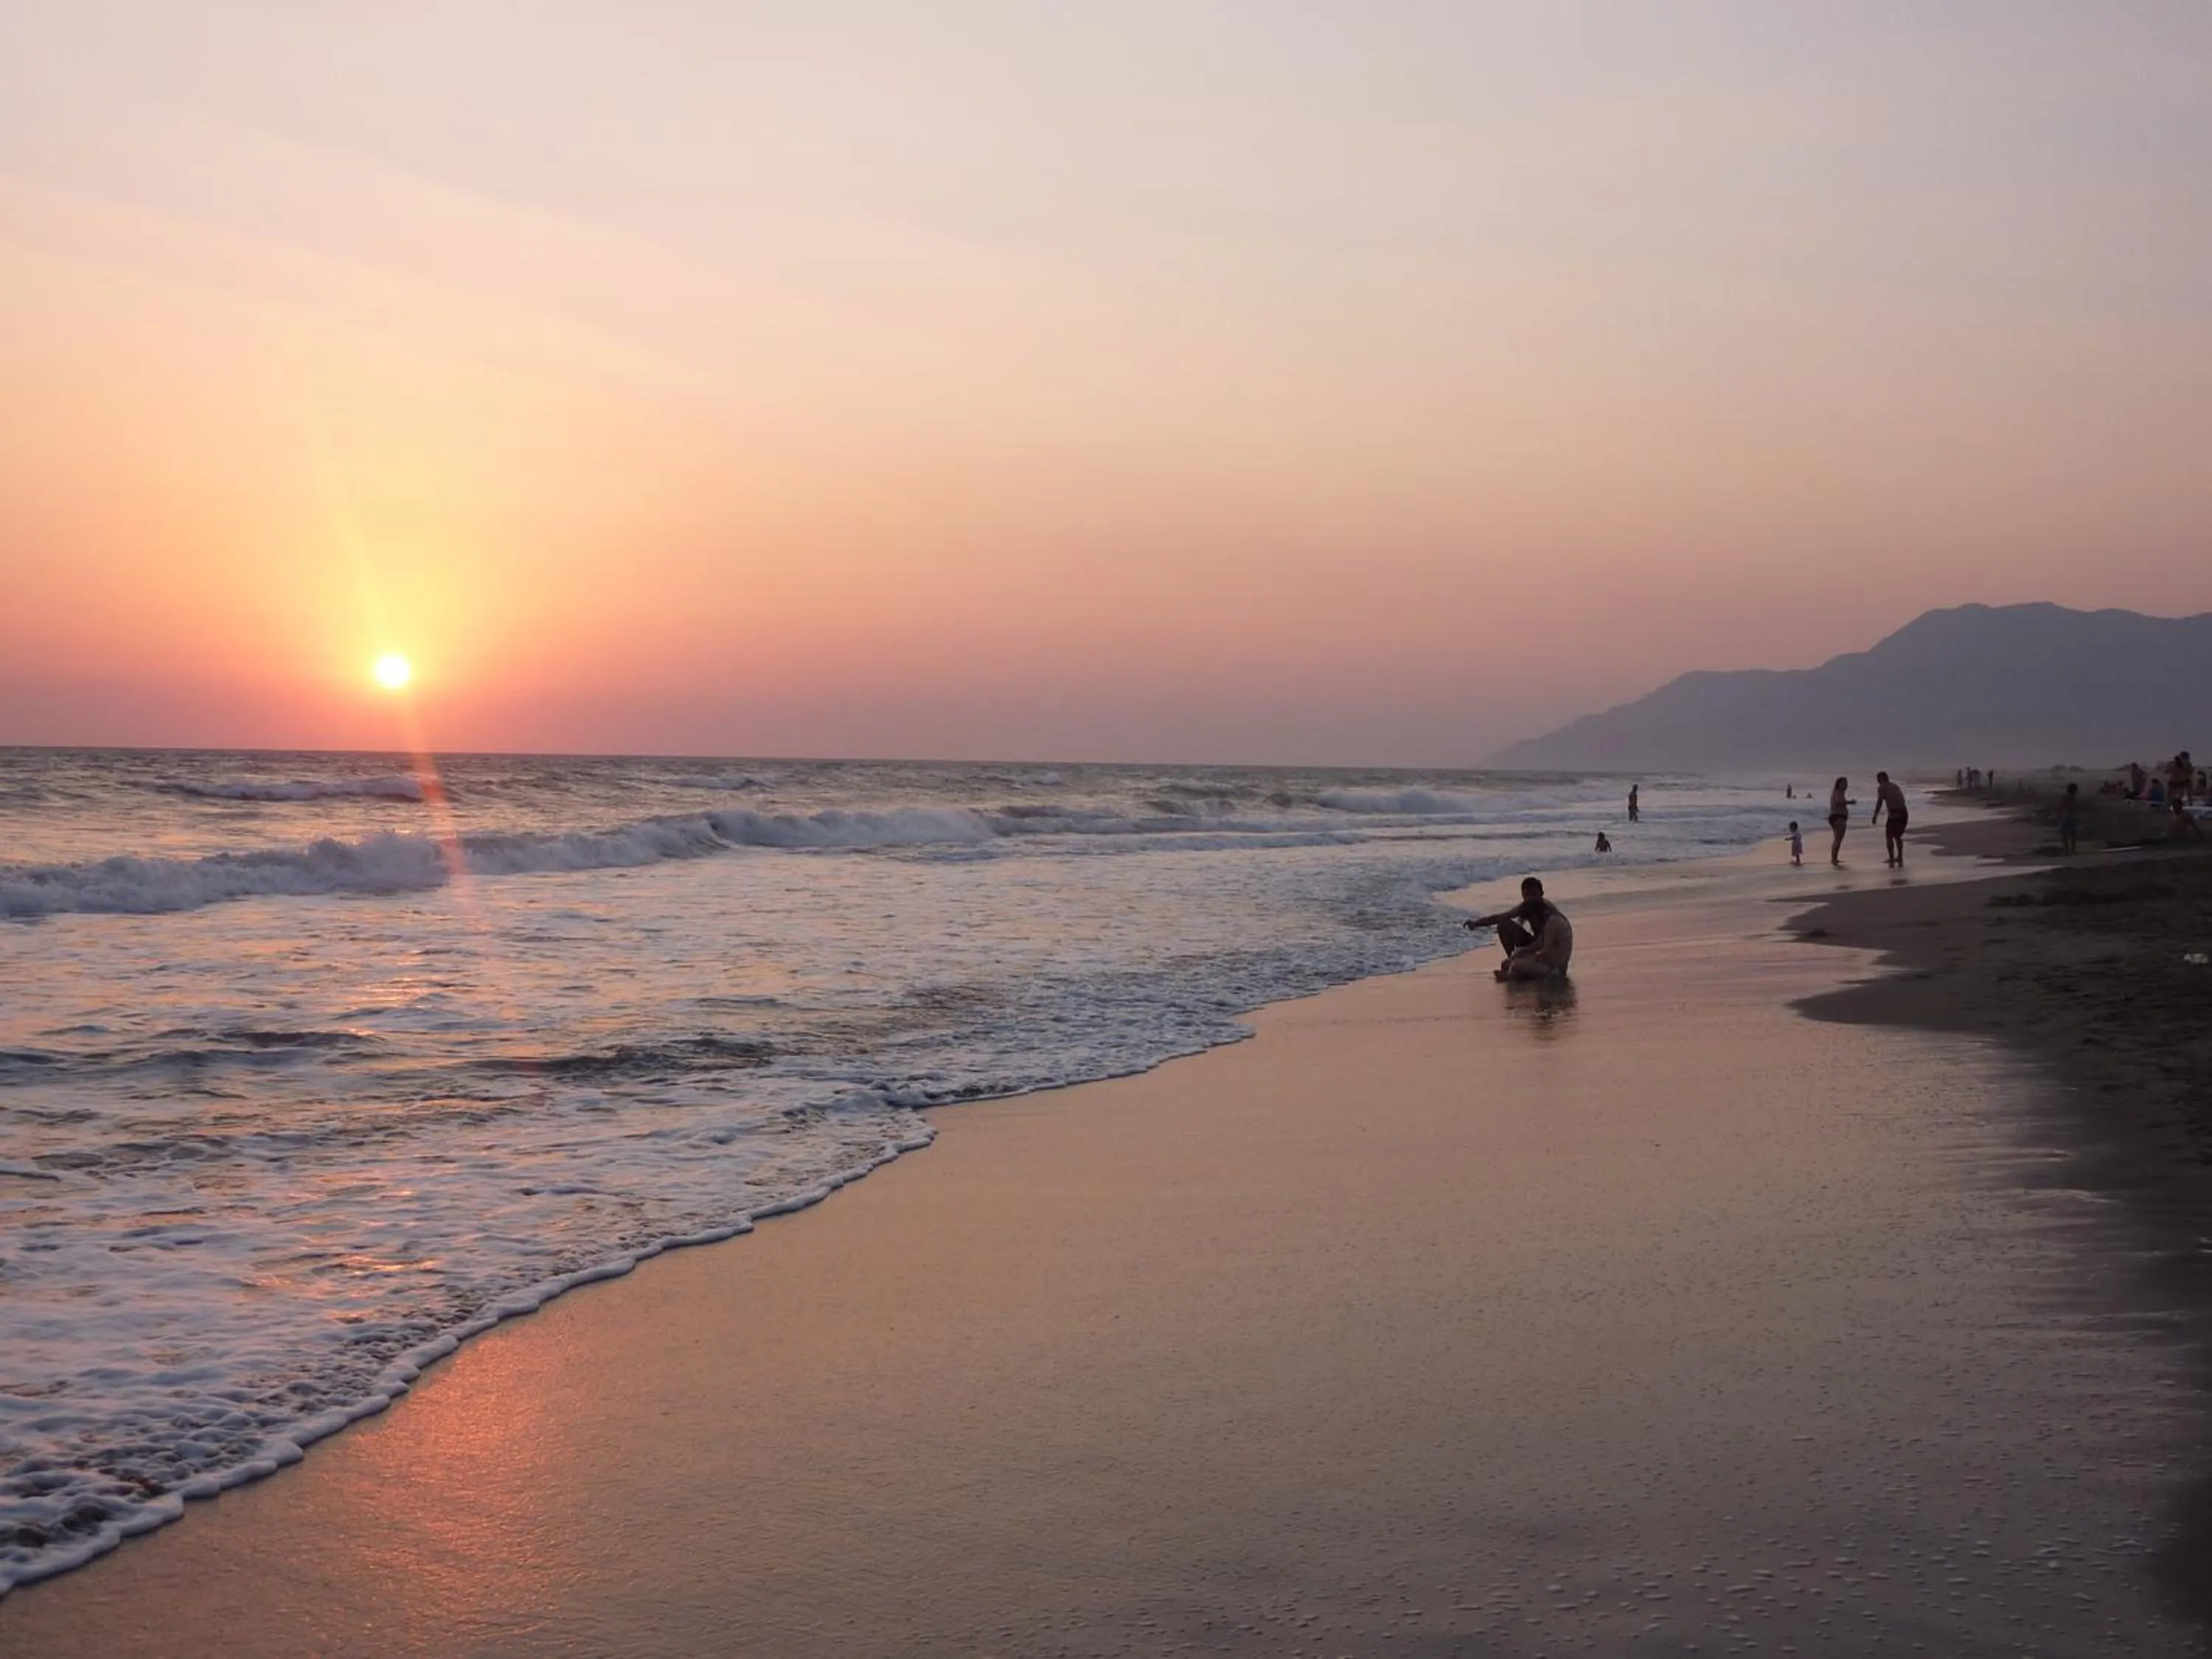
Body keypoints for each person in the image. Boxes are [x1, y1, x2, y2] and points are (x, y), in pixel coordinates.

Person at [1465, 876, 1574, 982]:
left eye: (1534, 894)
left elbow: (1545, 947)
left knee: (1518, 966)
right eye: (1527, 895)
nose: (1531, 899)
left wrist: (1518, 960)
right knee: (1504, 925)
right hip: (1538, 946)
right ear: (1523, 895)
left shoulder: (1550, 916)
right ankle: (1517, 965)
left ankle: (1519, 971)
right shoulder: (1526, 907)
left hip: (1552, 956)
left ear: (1541, 894)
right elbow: (1501, 917)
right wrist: (1477, 923)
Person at [1871, 772, 1908, 867]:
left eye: (1878, 780)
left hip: (1895, 814)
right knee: (1897, 836)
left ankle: (1891, 858)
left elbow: (1879, 802)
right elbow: (1902, 800)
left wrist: (1875, 816)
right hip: (1904, 812)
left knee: (1889, 836)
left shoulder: (1882, 788)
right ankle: (1900, 857)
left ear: (1880, 780)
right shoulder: (1895, 786)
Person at [1826, 777, 1853, 866]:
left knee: (1838, 839)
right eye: (1844, 783)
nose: (1846, 785)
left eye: (1847, 783)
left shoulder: (1840, 793)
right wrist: (1849, 802)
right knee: (1838, 839)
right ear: (1839, 784)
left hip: (1839, 817)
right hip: (1838, 817)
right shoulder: (1837, 792)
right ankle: (1834, 858)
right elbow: (1838, 802)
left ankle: (1835, 858)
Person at [2057, 782, 2079, 855]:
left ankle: (2067, 850)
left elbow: (2060, 806)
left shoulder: (2065, 797)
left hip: (2066, 816)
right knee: (2073, 834)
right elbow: (2075, 808)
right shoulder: (2074, 798)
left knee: (2064, 834)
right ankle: (2073, 850)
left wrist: (2059, 815)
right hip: (2072, 816)